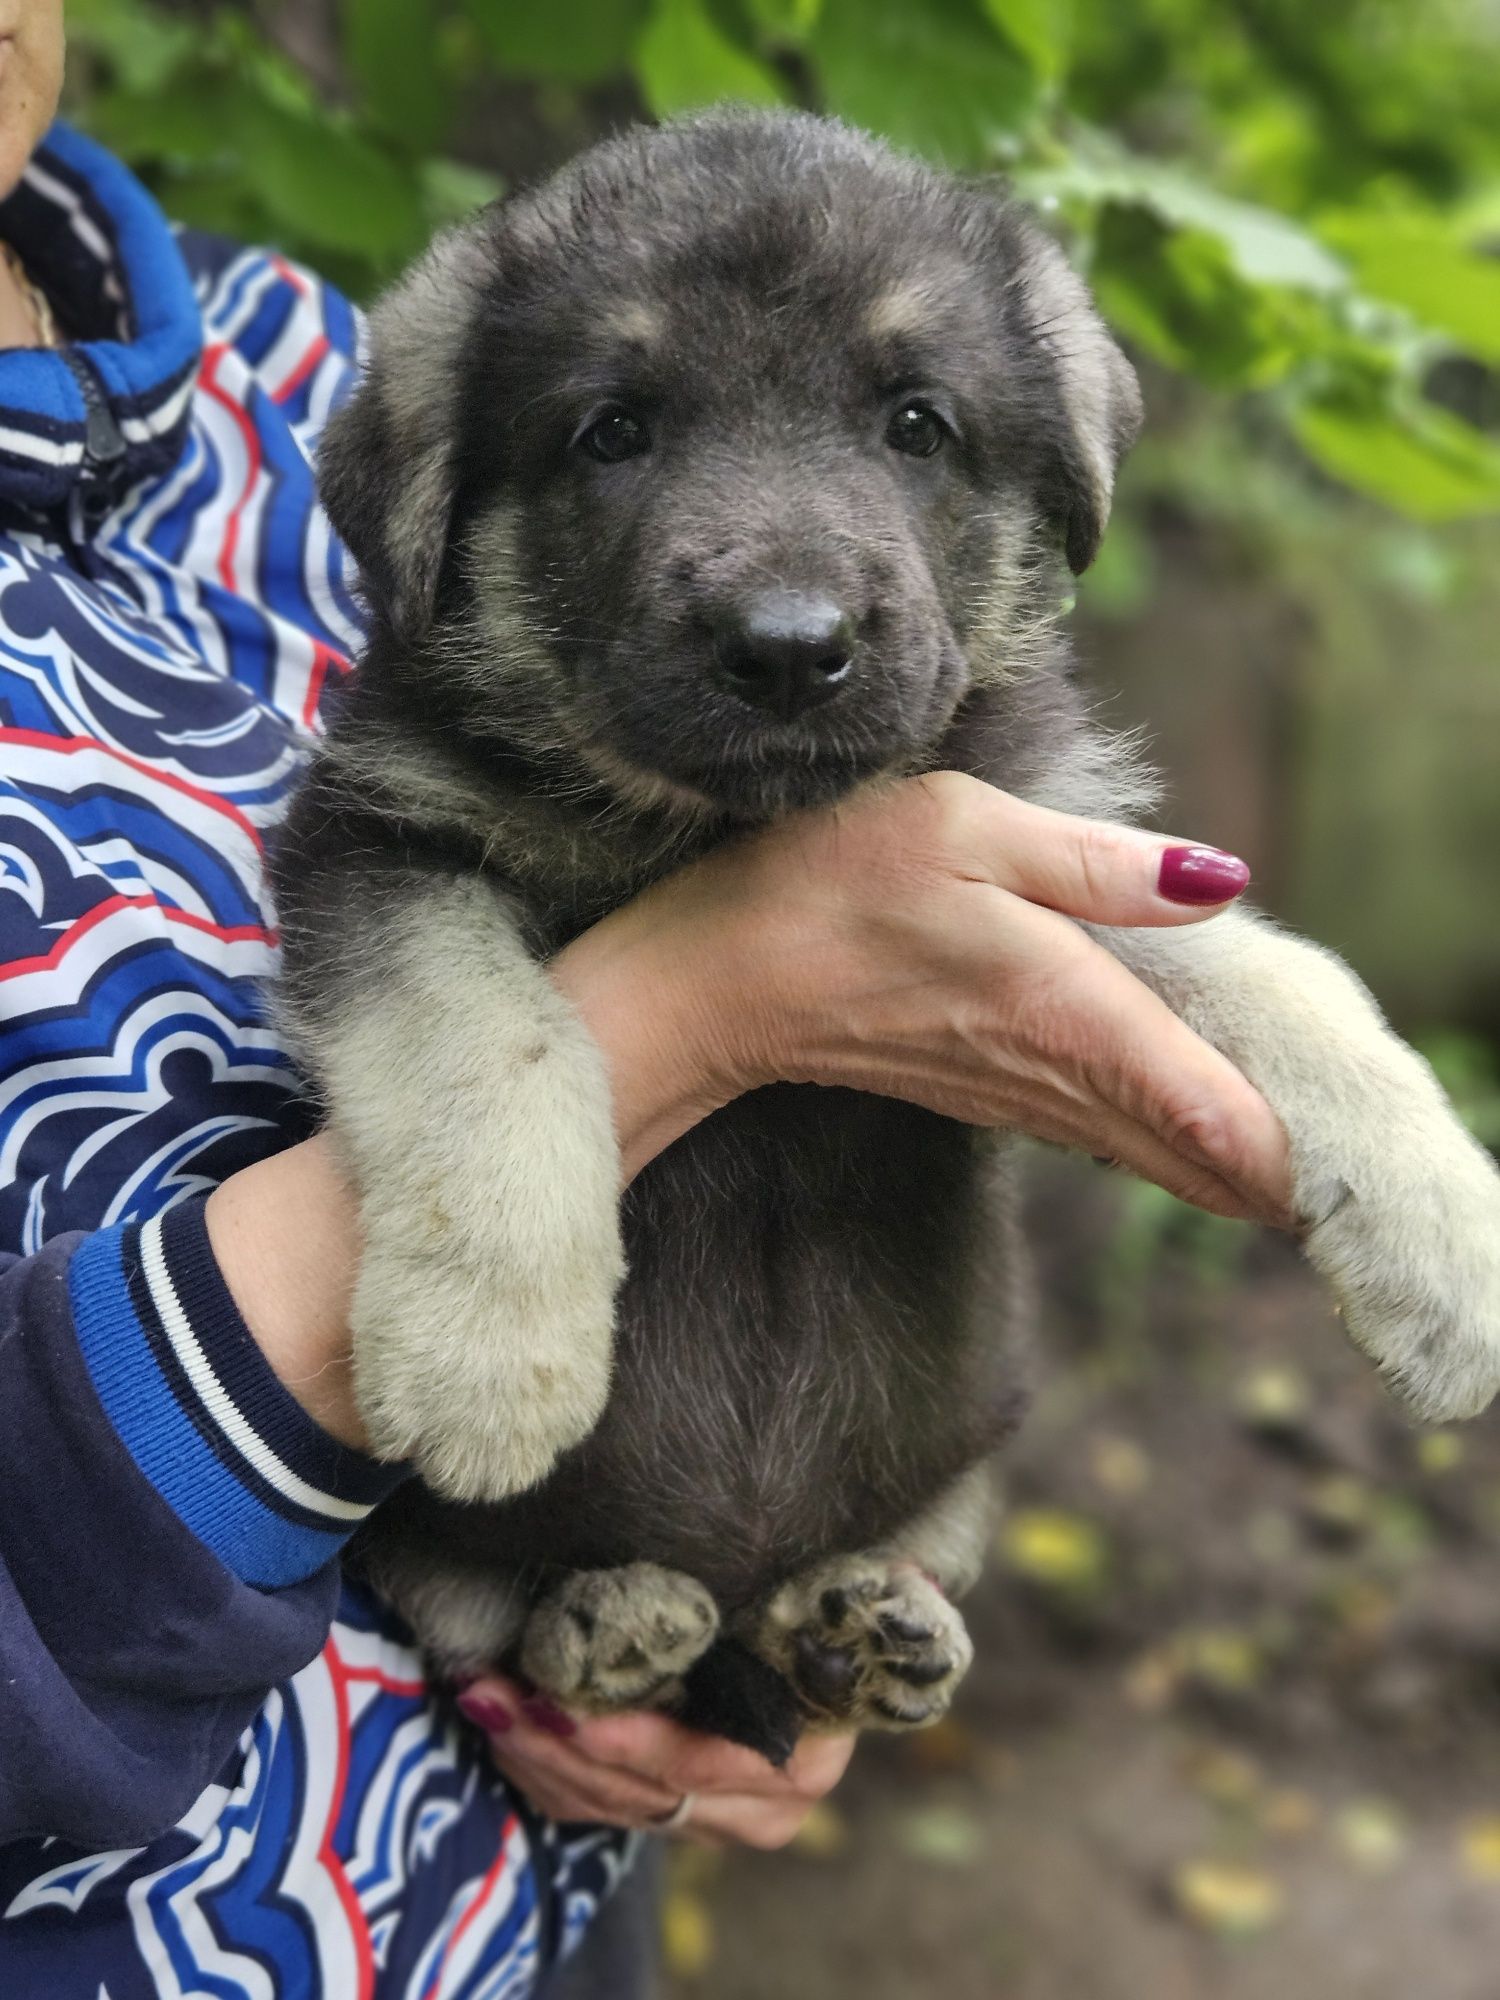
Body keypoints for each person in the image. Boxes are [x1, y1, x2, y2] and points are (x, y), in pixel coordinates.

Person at [0, 5, 1293, 1995]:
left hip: (541, 1903)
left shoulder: (290, 373)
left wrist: (770, 1600)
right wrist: (694, 1009)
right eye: (621, 432)